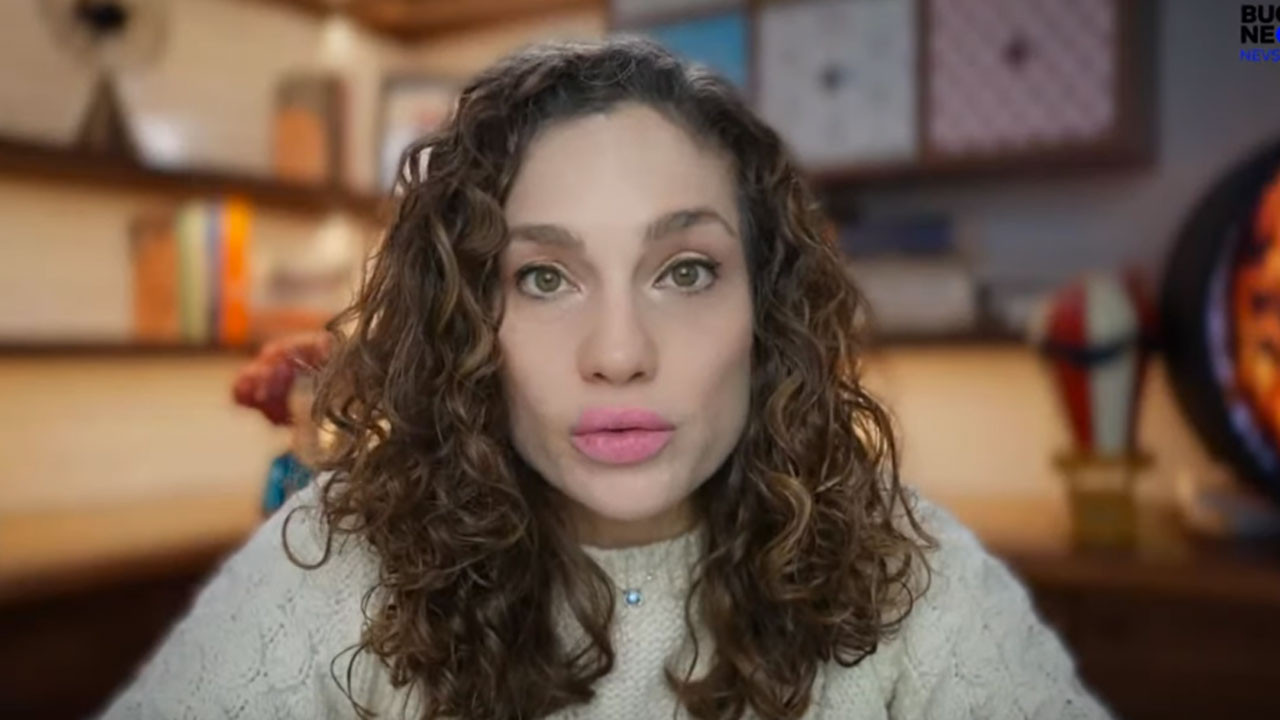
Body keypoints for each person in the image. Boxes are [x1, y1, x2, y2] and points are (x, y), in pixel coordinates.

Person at [99, 38, 1111, 720]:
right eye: (543, 277)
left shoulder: (909, 573)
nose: (618, 353)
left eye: (685, 271)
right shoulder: (333, 563)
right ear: (467, 323)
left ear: (765, 311)